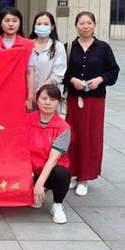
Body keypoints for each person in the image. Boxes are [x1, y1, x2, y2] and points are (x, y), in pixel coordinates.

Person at [64, 11, 120, 196]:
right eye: (81, 23)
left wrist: (101, 79)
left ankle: (84, 178)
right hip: (74, 99)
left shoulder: (103, 48)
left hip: (95, 100)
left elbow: (113, 71)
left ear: (94, 25)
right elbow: (62, 72)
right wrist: (72, 80)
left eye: (89, 23)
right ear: (76, 26)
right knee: (72, 136)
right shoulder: (69, 48)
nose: (85, 26)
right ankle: (73, 173)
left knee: (90, 137)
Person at [29, 84, 72, 224]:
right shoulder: (26, 121)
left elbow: (53, 160)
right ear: (37, 100)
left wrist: (40, 183)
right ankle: (32, 192)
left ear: (59, 103)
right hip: (30, 170)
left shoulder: (64, 128)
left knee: (61, 173)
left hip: (50, 172)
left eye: (53, 100)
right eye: (44, 98)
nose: (47, 103)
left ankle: (57, 204)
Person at [0, 7, 35, 111]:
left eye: (14, 21)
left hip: (20, 93)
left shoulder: (28, 45)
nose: (11, 24)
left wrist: (30, 98)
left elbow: (30, 72)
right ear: (0, 23)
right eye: (7, 20)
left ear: (20, 23)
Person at [29, 11, 67, 93]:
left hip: (49, 94)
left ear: (52, 27)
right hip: (27, 93)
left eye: (46, 24)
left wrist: (40, 90)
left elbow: (57, 75)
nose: (42, 26)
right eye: (39, 24)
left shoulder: (58, 47)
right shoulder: (27, 46)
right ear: (34, 26)